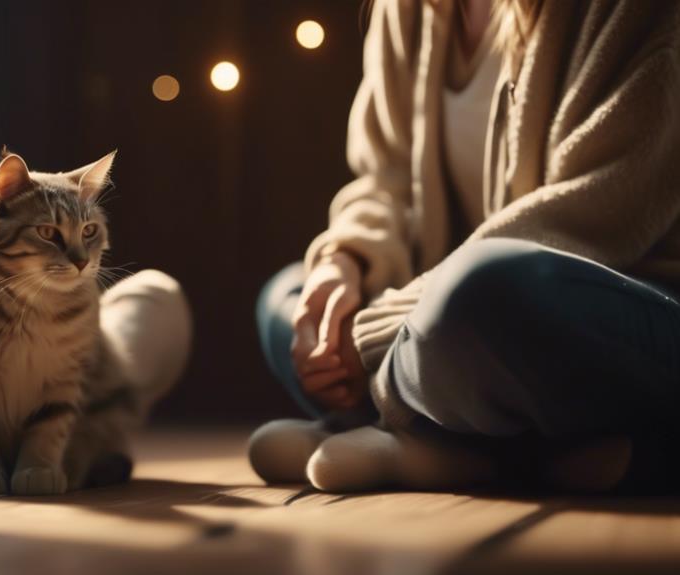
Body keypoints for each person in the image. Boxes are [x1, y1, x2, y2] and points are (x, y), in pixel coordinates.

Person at [250, 0, 680, 494]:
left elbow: (600, 213)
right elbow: (384, 180)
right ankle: (511, 451)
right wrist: (345, 262)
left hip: (626, 303)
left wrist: (376, 334)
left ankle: (419, 438)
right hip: (452, 326)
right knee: (283, 298)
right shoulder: (404, 10)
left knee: (482, 291)